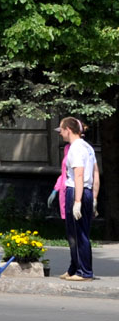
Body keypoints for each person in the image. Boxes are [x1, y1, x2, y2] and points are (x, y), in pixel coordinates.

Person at [56, 117, 100, 281]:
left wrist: (77, 201)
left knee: (78, 233)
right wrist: (94, 197)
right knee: (74, 233)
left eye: (61, 130)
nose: (60, 134)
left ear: (68, 129)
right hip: (86, 191)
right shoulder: (88, 147)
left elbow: (79, 174)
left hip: (76, 191)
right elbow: (95, 173)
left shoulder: (75, 148)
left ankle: (84, 271)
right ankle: (74, 267)